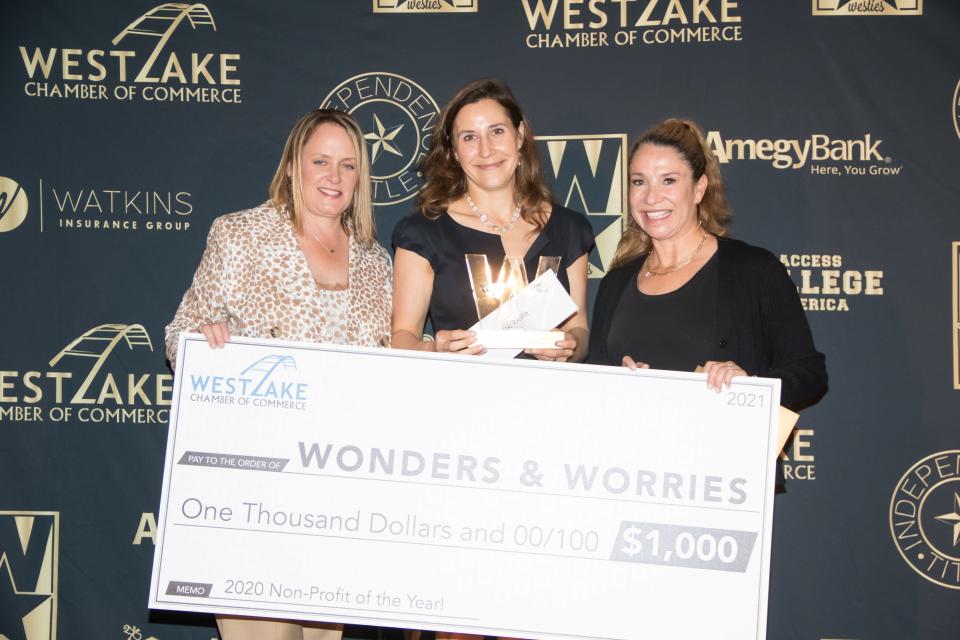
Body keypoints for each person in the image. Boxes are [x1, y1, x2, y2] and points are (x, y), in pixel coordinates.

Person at [164, 108, 392, 640]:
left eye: (348, 165)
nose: (333, 177)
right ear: (293, 166)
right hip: (255, 491)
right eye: (320, 161)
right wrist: (206, 340)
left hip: (337, 500)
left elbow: (386, 367)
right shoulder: (240, 235)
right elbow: (180, 336)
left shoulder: (374, 262)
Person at [588, 118, 826, 411]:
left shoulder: (753, 270)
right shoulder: (616, 283)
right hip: (633, 454)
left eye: (669, 181)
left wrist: (749, 383)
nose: (651, 197)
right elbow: (592, 391)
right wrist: (615, 381)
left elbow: (810, 373)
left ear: (699, 188)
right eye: (639, 182)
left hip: (722, 453)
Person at [391, 78, 593, 362]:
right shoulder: (423, 233)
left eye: (497, 131)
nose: (486, 150)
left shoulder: (569, 229)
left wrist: (570, 347)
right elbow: (402, 336)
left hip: (547, 400)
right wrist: (434, 349)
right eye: (469, 137)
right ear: (454, 151)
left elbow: (579, 328)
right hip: (462, 399)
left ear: (520, 136)